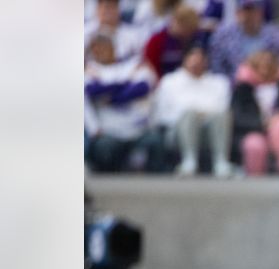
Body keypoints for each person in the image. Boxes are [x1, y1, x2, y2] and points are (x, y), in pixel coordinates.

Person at [85, 34, 166, 173]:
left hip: (137, 126)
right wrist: (126, 84)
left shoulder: (132, 64)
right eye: (97, 49)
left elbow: (143, 86)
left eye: (105, 47)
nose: (101, 52)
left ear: (114, 48)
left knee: (156, 141)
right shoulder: (90, 69)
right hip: (109, 129)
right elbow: (91, 89)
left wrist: (113, 98)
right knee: (104, 150)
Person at [152, 45, 234, 177]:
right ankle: (189, 161)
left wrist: (201, 116)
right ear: (184, 60)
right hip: (178, 131)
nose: (196, 64)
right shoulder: (169, 81)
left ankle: (221, 162)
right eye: (193, 60)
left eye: (200, 60)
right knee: (190, 114)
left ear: (206, 62)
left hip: (211, 130)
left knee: (221, 115)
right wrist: (191, 115)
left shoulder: (219, 82)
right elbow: (161, 114)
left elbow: (223, 108)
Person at [209, 0, 279, 78]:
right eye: (246, 10)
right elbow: (217, 67)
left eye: (253, 10)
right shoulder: (224, 35)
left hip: (267, 82)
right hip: (234, 85)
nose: (249, 15)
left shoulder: (275, 34)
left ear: (260, 13)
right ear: (238, 13)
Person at [141, 5, 205, 77]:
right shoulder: (156, 41)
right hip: (163, 81)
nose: (188, 33)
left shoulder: (194, 38)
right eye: (186, 29)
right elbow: (151, 68)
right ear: (177, 23)